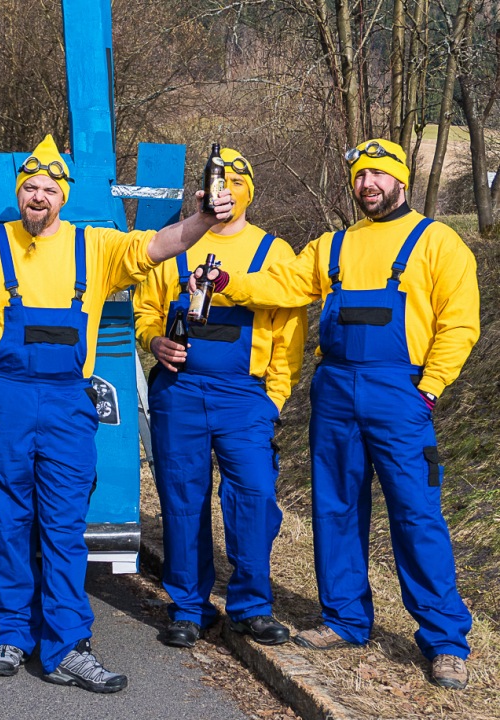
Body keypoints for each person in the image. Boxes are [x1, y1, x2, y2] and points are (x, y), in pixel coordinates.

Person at [0, 134, 235, 694]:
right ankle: (11, 636)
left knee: (64, 529)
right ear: (21, 194)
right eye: (30, 188)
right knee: (7, 524)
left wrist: (204, 219)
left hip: (67, 405)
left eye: (48, 189)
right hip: (6, 403)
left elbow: (161, 245)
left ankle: (66, 648)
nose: (38, 197)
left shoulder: (98, 247)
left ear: (63, 196)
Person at [196, 138, 478, 690]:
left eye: (378, 176)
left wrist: (431, 390)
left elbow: (460, 324)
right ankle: (346, 620)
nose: (367, 185)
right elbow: (282, 286)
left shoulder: (439, 243)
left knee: (416, 514)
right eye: (360, 177)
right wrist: (229, 284)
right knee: (336, 508)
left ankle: (445, 640)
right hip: (336, 392)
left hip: (402, 393)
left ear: (400, 181)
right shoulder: (331, 246)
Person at [133, 148, 305, 649]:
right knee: (183, 500)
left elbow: (290, 329)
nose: (222, 189)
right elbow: (145, 311)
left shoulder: (274, 252)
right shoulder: (176, 244)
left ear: (248, 189)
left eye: (232, 181)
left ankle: (252, 606)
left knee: (253, 496)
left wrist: (273, 397)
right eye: (213, 182)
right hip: (178, 394)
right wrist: (153, 342)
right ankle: (188, 606)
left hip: (244, 397)